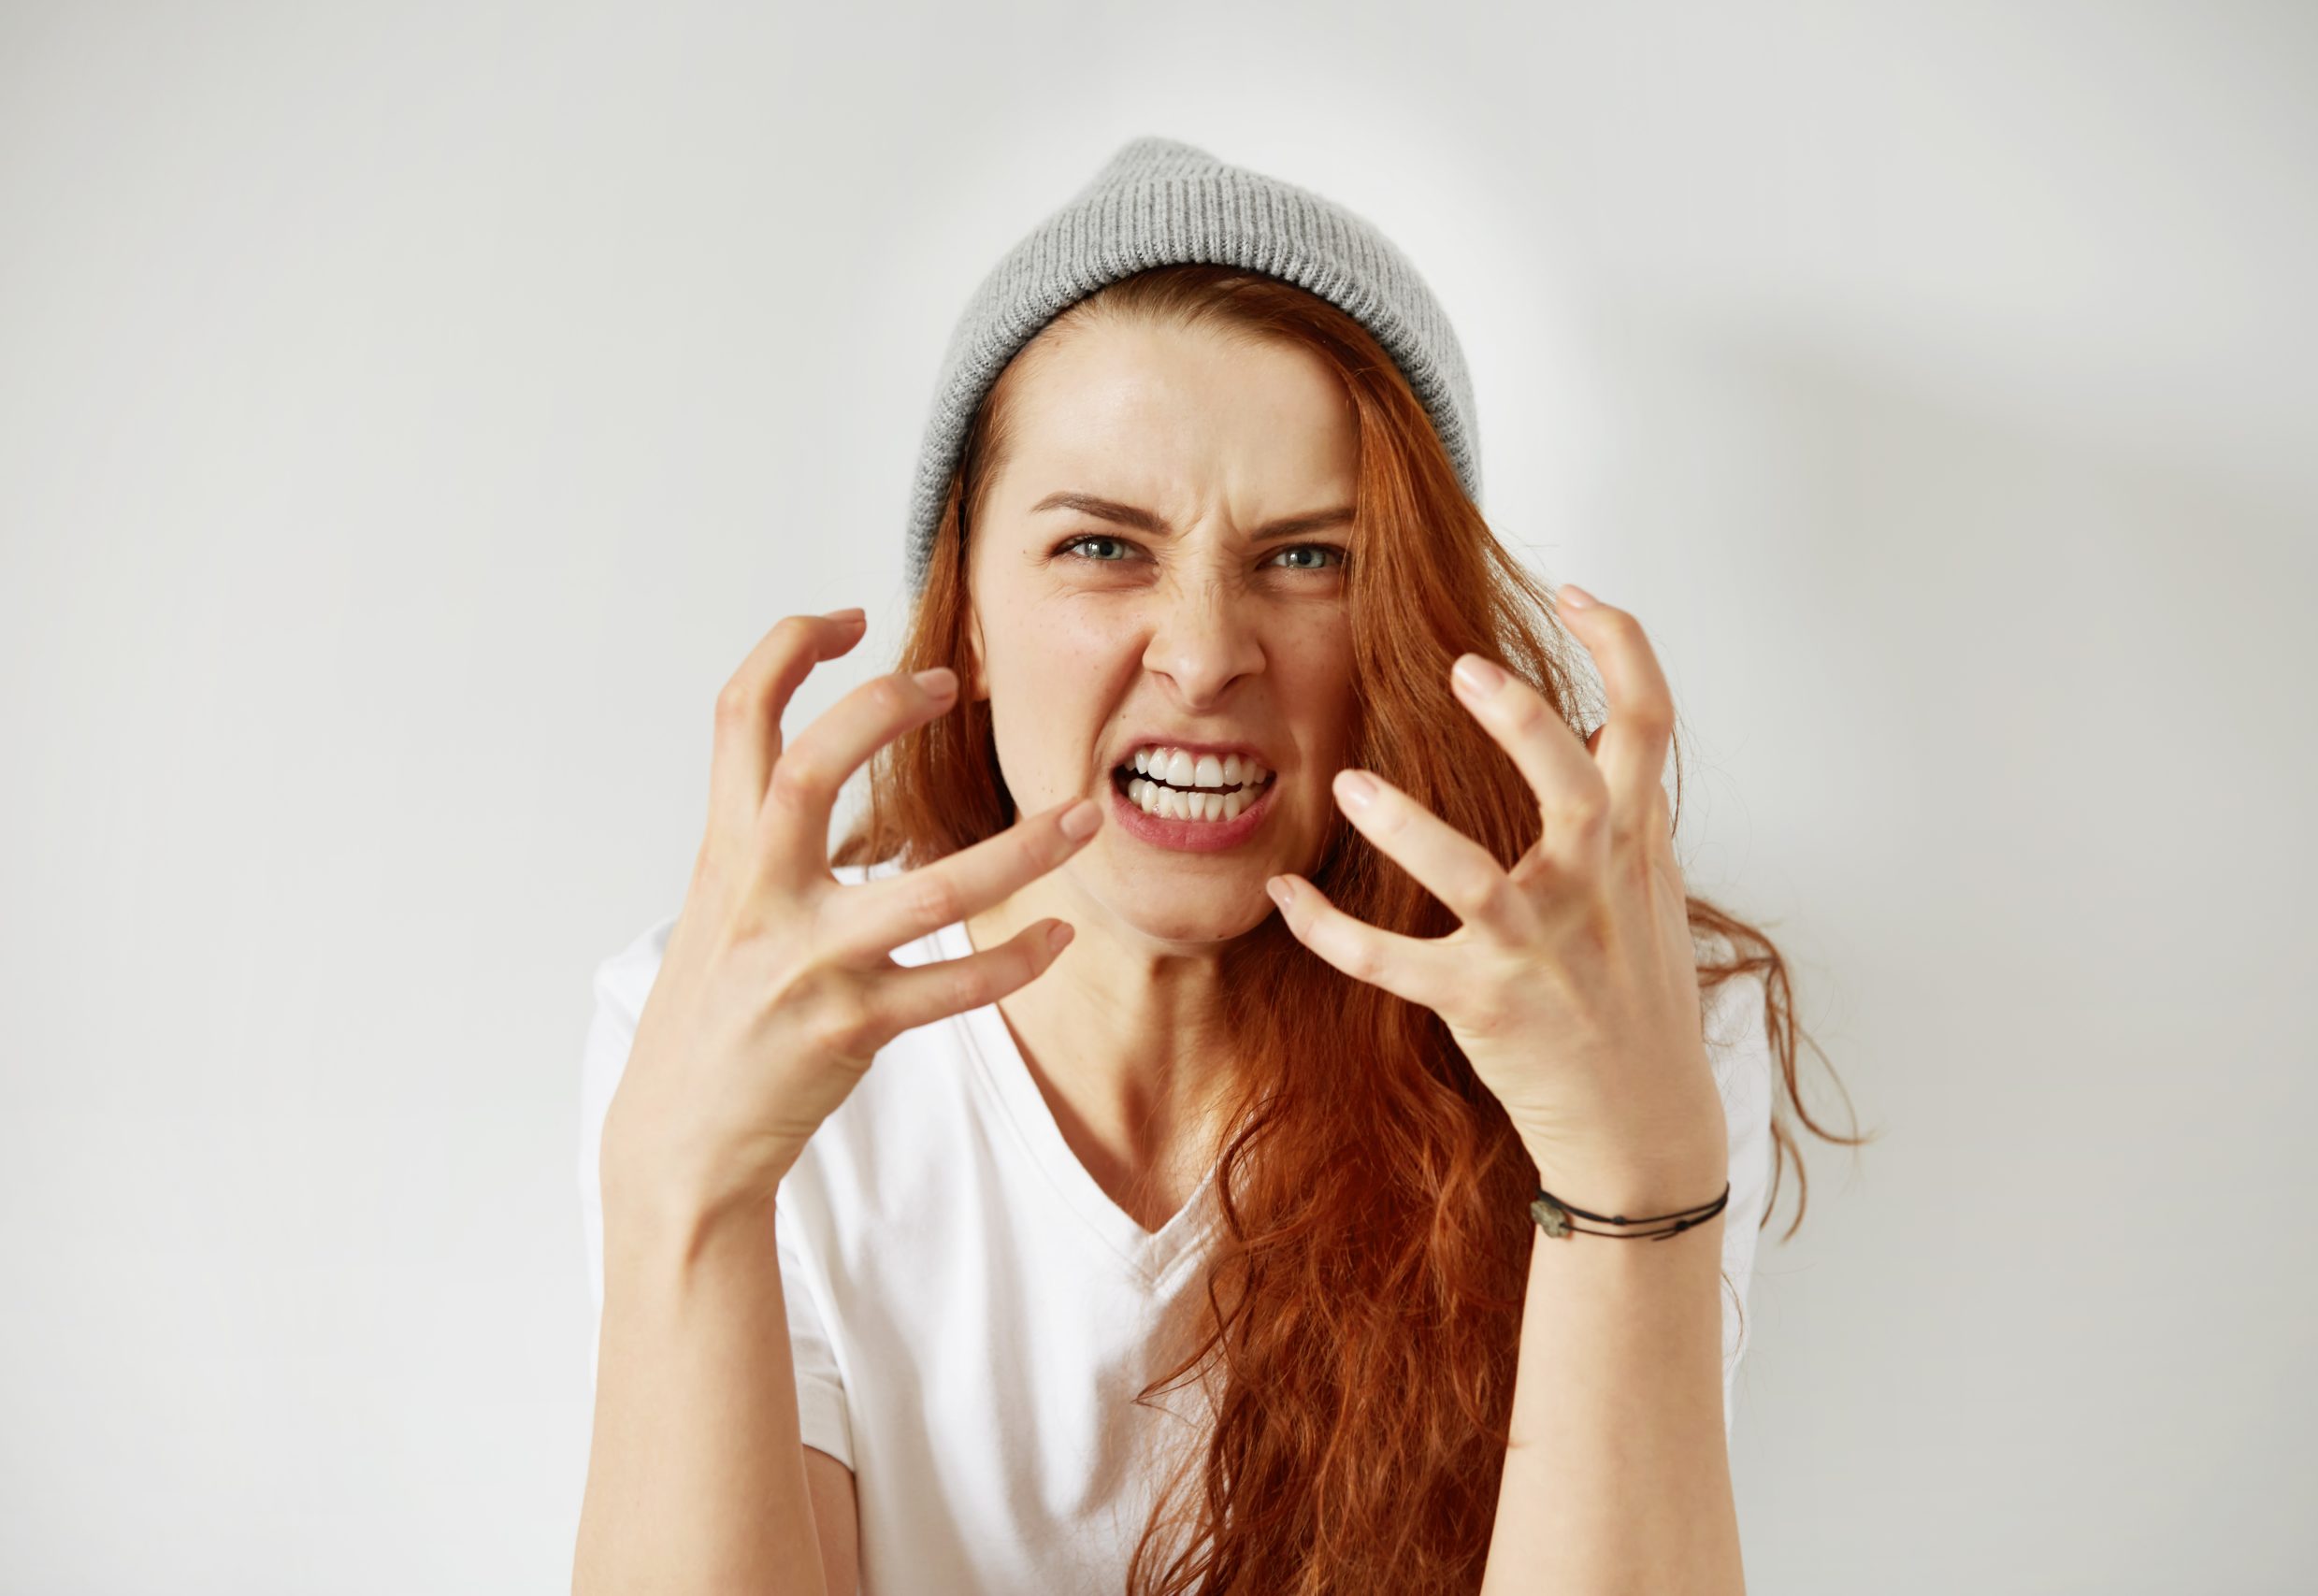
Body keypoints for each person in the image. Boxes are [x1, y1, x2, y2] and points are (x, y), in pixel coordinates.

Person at [572, 137, 1857, 1596]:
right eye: (1102, 547)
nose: (1201, 655)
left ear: (1410, 622)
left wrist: (1632, 1170)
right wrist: (684, 1191)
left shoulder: (1627, 1022)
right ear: (968, 613)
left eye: (1310, 558)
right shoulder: (726, 1023)